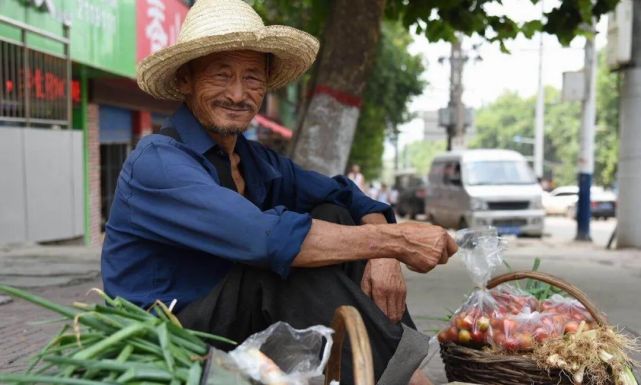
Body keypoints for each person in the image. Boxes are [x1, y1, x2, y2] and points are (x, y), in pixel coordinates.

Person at [101, 1, 457, 384]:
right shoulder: (157, 163)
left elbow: (346, 196)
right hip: (170, 337)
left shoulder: (253, 159)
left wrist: (385, 252)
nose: (238, 94)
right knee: (279, 270)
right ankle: (405, 379)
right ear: (186, 80)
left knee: (333, 216)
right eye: (221, 76)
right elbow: (267, 240)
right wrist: (397, 239)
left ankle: (405, 372)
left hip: (231, 323)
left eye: (252, 78)